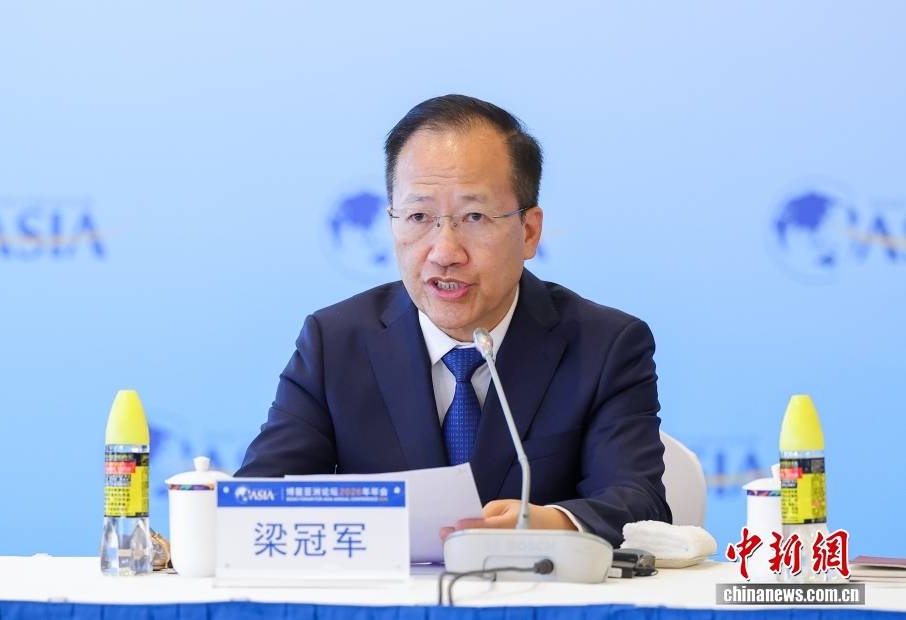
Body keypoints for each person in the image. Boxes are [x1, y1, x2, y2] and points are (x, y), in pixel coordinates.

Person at [236, 94, 671, 546]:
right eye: (418, 216)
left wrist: (554, 524)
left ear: (529, 232)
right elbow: (260, 498)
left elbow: (639, 504)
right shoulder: (335, 342)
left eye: (474, 216)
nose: (444, 252)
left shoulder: (604, 346)